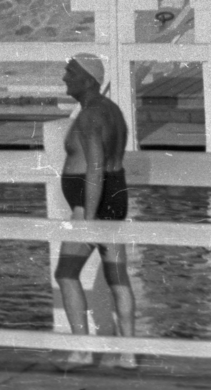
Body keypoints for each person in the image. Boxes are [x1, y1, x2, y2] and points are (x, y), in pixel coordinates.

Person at [54, 54, 136, 371]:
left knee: (65, 274)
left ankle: (82, 351)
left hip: (93, 202)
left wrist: (87, 219)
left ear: (88, 79)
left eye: (70, 72)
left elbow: (96, 168)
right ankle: (128, 354)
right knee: (117, 276)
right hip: (115, 194)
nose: (65, 78)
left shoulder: (90, 117)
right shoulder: (112, 111)